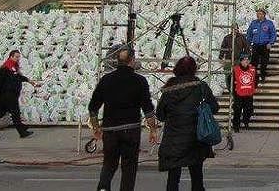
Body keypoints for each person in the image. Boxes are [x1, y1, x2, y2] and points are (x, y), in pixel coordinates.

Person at [88, 48, 156, 191]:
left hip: (110, 130)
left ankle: (103, 188)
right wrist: (153, 130)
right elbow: (148, 108)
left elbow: (93, 107)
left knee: (109, 164)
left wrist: (96, 128)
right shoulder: (139, 81)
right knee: (129, 168)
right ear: (132, 60)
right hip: (131, 130)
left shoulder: (106, 80)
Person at [157, 56, 218, 191]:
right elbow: (215, 107)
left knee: (173, 178)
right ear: (194, 69)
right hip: (196, 138)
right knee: (197, 176)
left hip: (174, 139)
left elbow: (160, 115)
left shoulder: (169, 89)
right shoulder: (201, 87)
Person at [0, 49, 38, 139]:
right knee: (15, 113)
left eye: (19, 57)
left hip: (11, 94)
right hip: (7, 94)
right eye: (16, 57)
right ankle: (22, 132)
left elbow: (19, 77)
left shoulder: (14, 67)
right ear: (11, 56)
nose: (18, 58)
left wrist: (29, 81)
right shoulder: (5, 67)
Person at [246, 8, 276, 84]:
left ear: (263, 14)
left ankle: (262, 76)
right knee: (254, 63)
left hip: (265, 46)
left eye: (259, 14)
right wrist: (249, 43)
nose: (258, 15)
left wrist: (270, 43)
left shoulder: (269, 23)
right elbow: (249, 33)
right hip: (256, 45)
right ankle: (255, 78)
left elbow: (273, 34)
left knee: (264, 62)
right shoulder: (254, 23)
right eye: (257, 14)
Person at [219, 24, 251, 93]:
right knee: (228, 76)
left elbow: (247, 48)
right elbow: (223, 48)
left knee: (238, 77)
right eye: (233, 29)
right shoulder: (227, 38)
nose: (234, 30)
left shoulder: (241, 37)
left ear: (238, 29)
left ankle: (238, 92)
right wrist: (221, 57)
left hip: (238, 60)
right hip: (229, 59)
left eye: (236, 29)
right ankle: (231, 91)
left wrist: (246, 58)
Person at [231, 54, 256, 131]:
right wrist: (232, 90)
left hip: (249, 93)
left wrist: (254, 87)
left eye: (247, 60)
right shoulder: (236, 69)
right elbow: (230, 80)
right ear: (241, 61)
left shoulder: (252, 69)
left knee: (249, 109)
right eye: (244, 60)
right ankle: (236, 126)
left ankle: (246, 121)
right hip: (238, 93)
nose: (246, 62)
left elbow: (256, 79)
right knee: (237, 110)